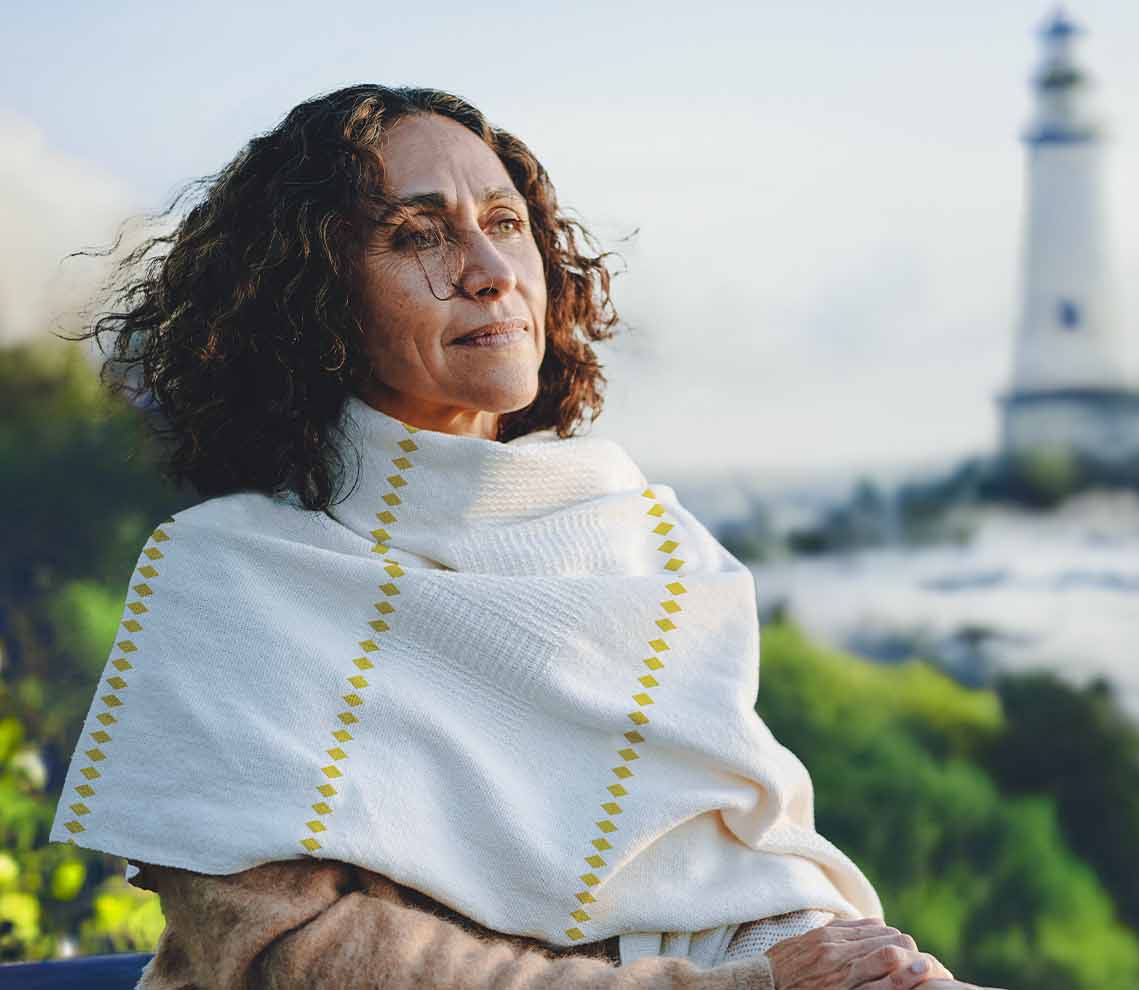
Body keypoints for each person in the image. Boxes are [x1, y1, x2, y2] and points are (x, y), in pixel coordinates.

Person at [52, 85, 994, 990]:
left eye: (505, 224)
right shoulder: (231, 577)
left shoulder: (648, 544)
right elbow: (290, 958)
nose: (491, 271)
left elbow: (737, 873)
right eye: (416, 235)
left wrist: (856, 968)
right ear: (313, 297)